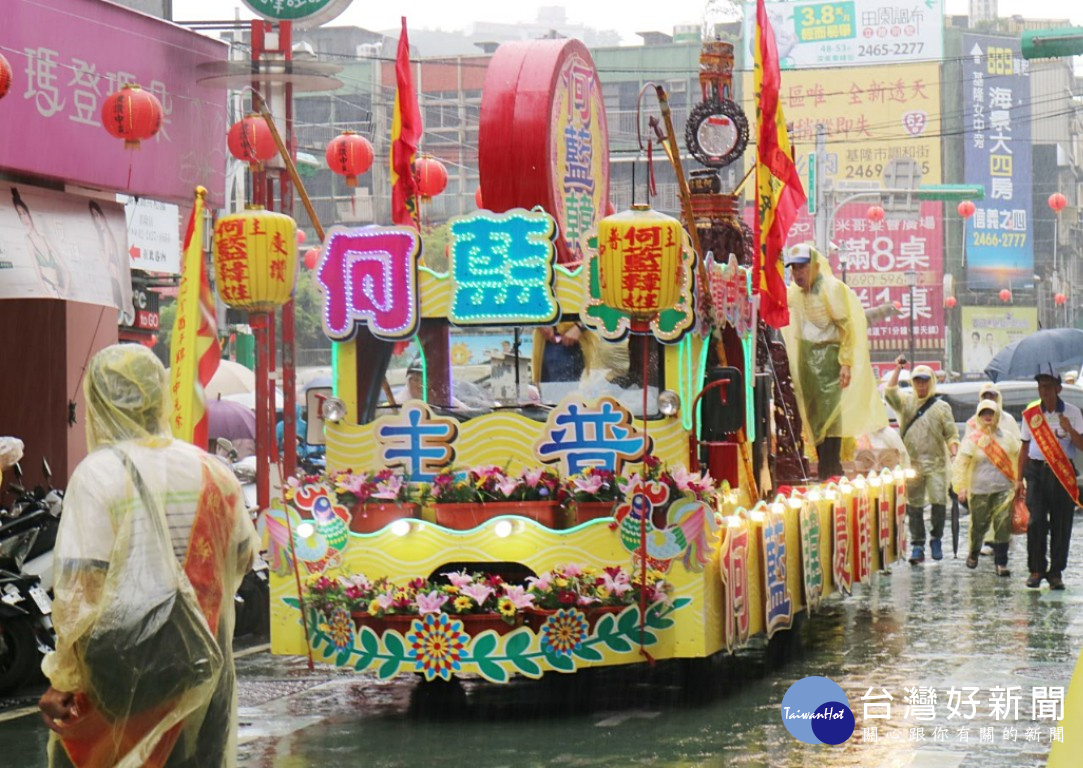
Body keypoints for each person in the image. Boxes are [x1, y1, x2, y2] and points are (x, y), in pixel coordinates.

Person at [38, 344, 259, 766]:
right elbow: (243, 560)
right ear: (159, 396)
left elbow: (81, 591)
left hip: (125, 684)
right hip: (204, 672)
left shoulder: (99, 473)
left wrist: (64, 680)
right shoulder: (213, 470)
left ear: (97, 402)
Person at [780, 242, 886, 480]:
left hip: (829, 359)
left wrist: (845, 362)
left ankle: (832, 469)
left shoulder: (831, 288)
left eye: (802, 268)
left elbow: (847, 327)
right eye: (794, 269)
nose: (798, 274)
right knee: (814, 416)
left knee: (832, 416)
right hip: (807, 360)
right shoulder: (794, 293)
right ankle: (824, 468)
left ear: (816, 266)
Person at [885, 359, 959, 563]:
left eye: (925, 381)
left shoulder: (942, 407)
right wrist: (897, 369)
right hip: (913, 464)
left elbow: (951, 434)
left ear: (931, 382)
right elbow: (890, 392)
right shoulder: (906, 403)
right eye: (917, 381)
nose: (921, 385)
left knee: (938, 501)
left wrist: (954, 453)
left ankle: (936, 538)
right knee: (914, 505)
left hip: (936, 464)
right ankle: (917, 544)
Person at [1020, 372, 1083, 590]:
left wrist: (1069, 429)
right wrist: (1018, 479)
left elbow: (1081, 445)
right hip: (1036, 472)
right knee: (1036, 521)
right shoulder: (1031, 414)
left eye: (1048, 386)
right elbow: (1024, 447)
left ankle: (1056, 572)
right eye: (1040, 387)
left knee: (1061, 523)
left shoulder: (1073, 413)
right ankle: (1036, 569)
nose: (1044, 391)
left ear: (1058, 388)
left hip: (1062, 472)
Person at [952, 399, 1021, 577]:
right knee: (979, 525)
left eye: (991, 413)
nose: (988, 416)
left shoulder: (1008, 437)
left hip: (1004, 488)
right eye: (984, 413)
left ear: (997, 415)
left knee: (1002, 524)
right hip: (979, 489)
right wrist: (961, 487)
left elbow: (1018, 459)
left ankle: (1001, 563)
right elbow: (961, 465)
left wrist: (1021, 482)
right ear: (979, 416)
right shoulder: (972, 439)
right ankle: (974, 552)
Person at [12, 187, 70, 297]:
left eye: (24, 213)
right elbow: (38, 275)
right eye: (20, 215)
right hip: (47, 289)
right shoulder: (28, 240)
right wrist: (48, 294)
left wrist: (65, 290)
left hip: (57, 290)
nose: (24, 219)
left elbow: (66, 270)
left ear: (29, 214)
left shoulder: (45, 240)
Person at [89, 200, 135, 326]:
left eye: (97, 215)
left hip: (116, 276)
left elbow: (111, 257)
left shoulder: (108, 234)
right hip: (112, 277)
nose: (97, 219)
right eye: (94, 217)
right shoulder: (103, 236)